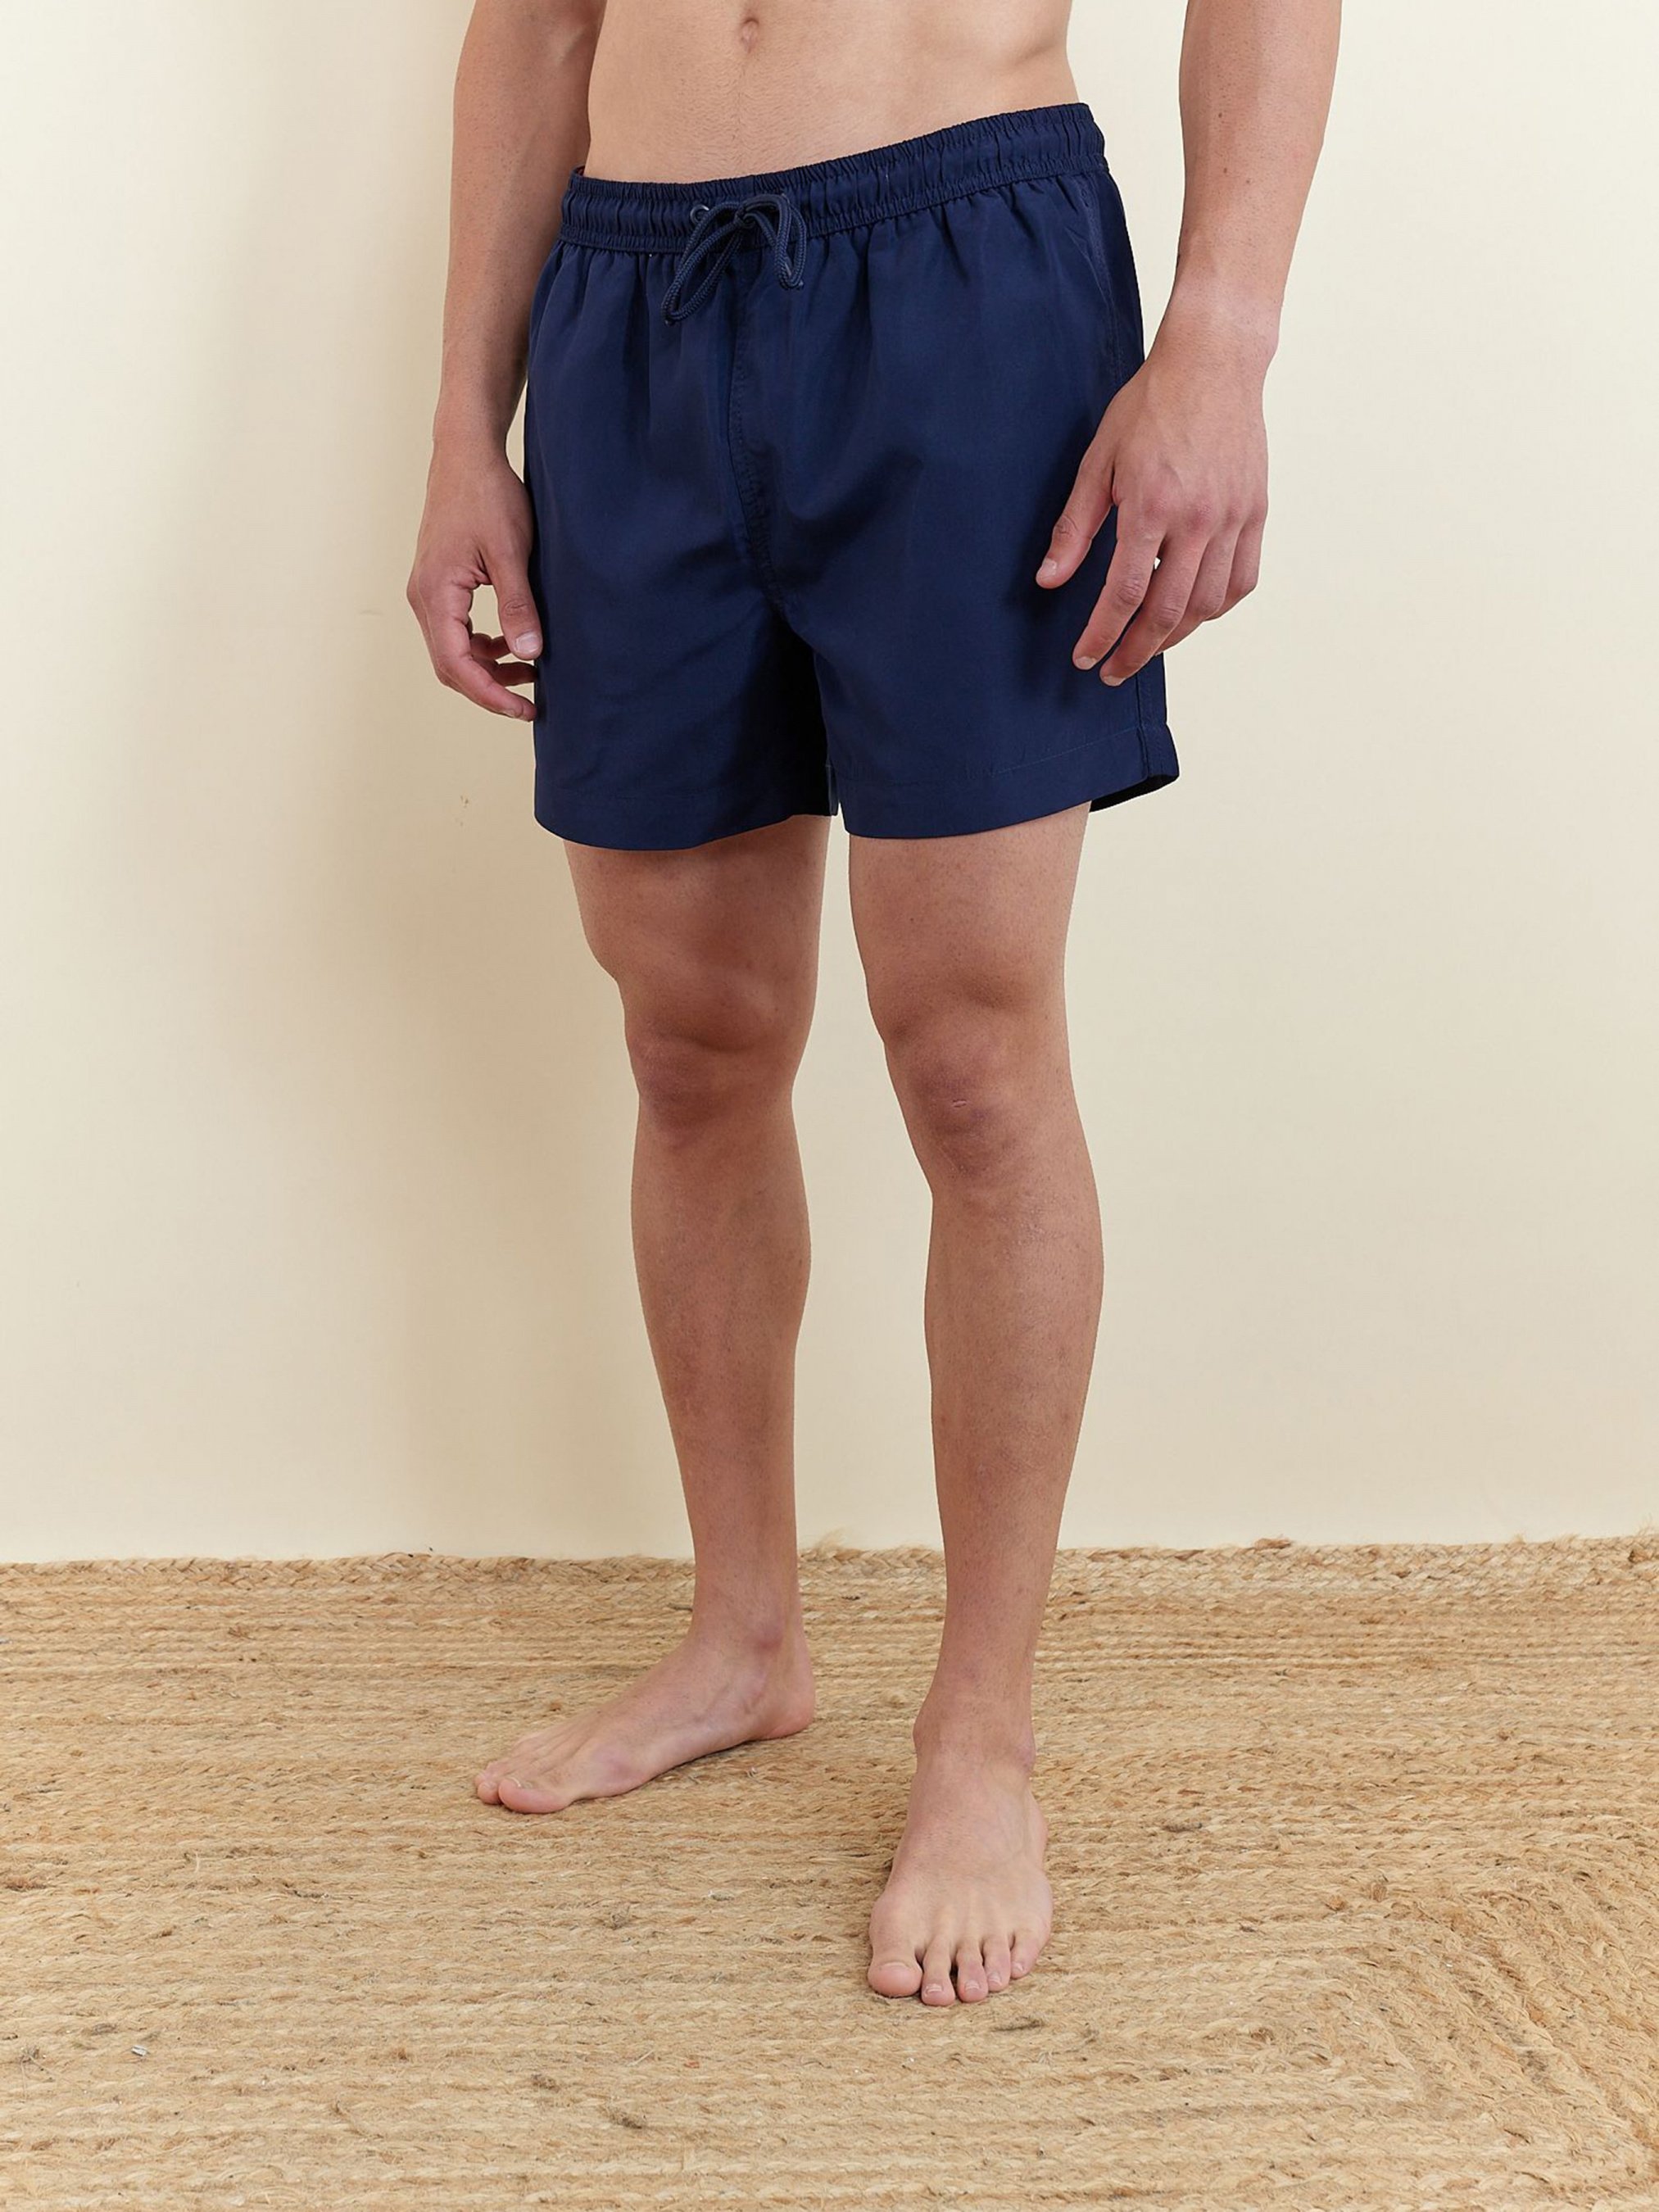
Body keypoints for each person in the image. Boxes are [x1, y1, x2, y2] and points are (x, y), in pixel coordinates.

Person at [408, 0, 1338, 2007]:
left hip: (963, 270)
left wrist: (1219, 338)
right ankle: (740, 1640)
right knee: (687, 1039)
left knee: (973, 1063)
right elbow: (534, 27)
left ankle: (979, 1741)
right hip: (628, 305)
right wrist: (465, 428)